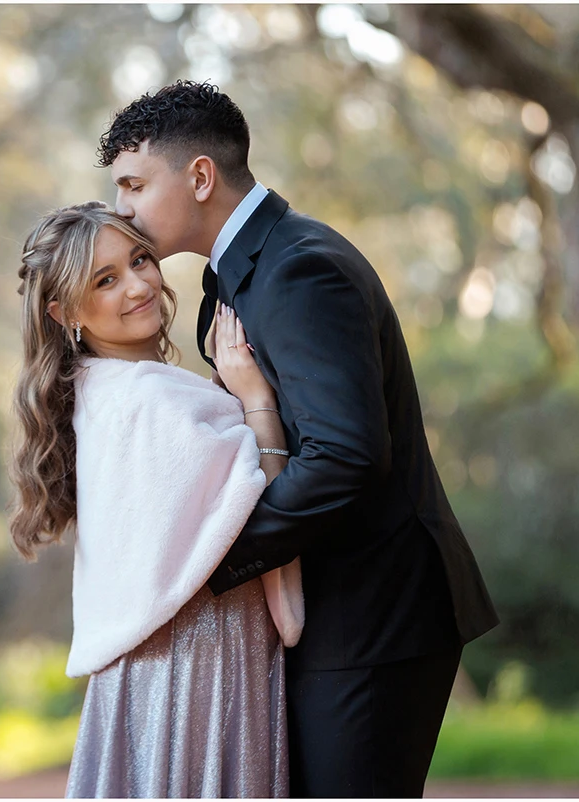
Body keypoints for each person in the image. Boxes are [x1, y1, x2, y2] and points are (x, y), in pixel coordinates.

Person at [100, 80, 500, 798]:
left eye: (134, 183)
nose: (122, 207)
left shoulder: (299, 270)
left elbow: (346, 457)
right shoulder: (237, 276)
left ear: (199, 177)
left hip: (375, 616)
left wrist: (214, 561)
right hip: (332, 614)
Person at [6, 201, 303, 798]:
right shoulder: (150, 403)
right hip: (200, 665)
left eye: (140, 260)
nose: (140, 284)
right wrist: (256, 401)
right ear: (63, 311)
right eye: (105, 280)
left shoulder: (98, 396)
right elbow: (270, 501)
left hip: (146, 672)